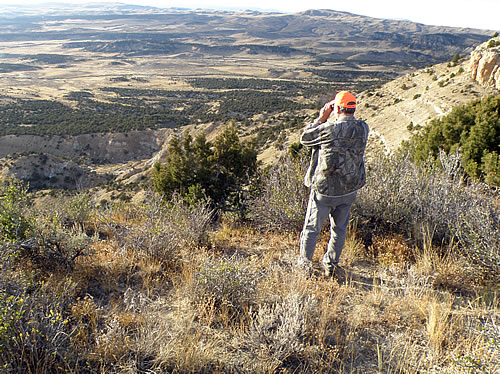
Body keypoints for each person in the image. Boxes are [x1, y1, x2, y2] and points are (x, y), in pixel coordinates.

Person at [297, 91, 369, 278]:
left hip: (324, 190)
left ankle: (304, 266)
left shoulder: (328, 130)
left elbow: (305, 139)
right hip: (349, 188)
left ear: (337, 108)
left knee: (312, 229)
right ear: (353, 108)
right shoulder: (363, 128)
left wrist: (321, 118)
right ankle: (331, 265)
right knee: (339, 229)